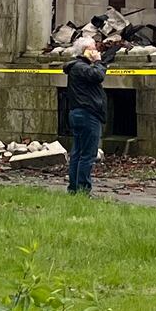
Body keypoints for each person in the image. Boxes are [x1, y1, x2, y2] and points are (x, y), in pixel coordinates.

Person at [63, 38, 109, 194]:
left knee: (78, 153)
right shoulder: (81, 67)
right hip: (87, 114)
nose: (95, 51)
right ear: (84, 51)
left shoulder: (77, 67)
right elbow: (98, 75)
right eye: (92, 49)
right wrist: (99, 62)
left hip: (79, 113)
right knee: (87, 154)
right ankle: (83, 189)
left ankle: (74, 188)